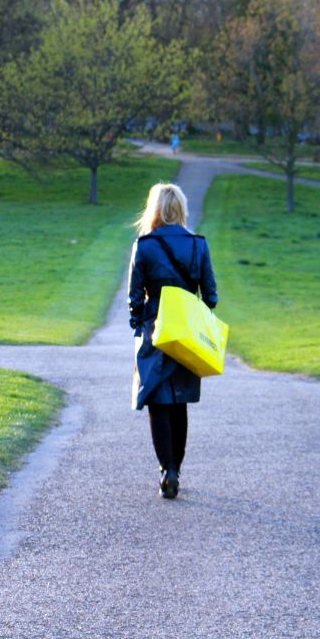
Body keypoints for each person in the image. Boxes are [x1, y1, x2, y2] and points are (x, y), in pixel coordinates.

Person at [128, 183, 218, 499]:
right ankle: (175, 468)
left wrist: (139, 325)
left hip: (155, 329)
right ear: (180, 209)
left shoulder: (145, 245)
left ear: (154, 209)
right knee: (179, 401)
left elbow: (134, 299)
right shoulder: (198, 245)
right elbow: (212, 296)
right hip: (187, 330)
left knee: (156, 399)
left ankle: (168, 468)